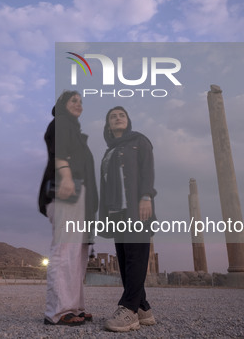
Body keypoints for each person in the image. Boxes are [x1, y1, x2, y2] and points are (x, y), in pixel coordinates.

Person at [38, 90, 98, 326]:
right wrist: (65, 175)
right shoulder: (61, 123)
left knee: (78, 255)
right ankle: (58, 311)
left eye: (81, 101)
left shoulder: (76, 131)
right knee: (65, 252)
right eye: (74, 100)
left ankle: (75, 307)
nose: (79, 104)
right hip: (66, 190)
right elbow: (58, 151)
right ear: (62, 104)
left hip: (81, 197)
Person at [99, 106, 158, 332]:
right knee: (125, 261)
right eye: (112, 116)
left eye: (121, 115)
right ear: (108, 124)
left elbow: (147, 170)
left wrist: (146, 196)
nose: (117, 118)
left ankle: (129, 310)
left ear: (128, 120)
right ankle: (143, 309)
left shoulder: (139, 141)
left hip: (136, 208)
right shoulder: (109, 151)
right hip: (117, 213)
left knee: (136, 257)